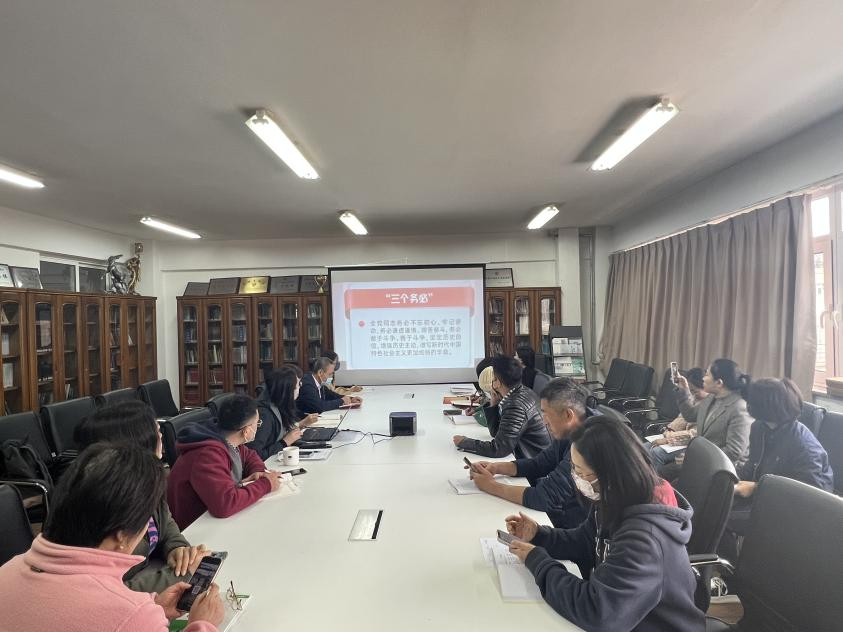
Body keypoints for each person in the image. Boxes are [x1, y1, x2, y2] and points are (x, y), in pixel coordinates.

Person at [504, 416, 704, 632]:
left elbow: (598, 612)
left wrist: (538, 561)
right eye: (574, 470)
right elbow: (584, 541)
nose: (576, 478)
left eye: (581, 472)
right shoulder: (615, 497)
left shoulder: (645, 538)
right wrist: (538, 535)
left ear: (610, 473)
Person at [0, 443, 224, 631]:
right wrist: (202, 624)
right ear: (122, 536)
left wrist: (155, 605)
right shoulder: (131, 615)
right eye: (146, 520)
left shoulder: (7, 569)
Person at [73, 401, 208, 593]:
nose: (161, 435)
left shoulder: (145, 481)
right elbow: (106, 593)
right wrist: (183, 574)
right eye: (156, 431)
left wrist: (176, 548)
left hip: (150, 578)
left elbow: (165, 521)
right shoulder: (100, 511)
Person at [721, 378, 834, 560]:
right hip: (766, 493)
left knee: (721, 521)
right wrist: (729, 477)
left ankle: (733, 570)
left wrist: (756, 487)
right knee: (714, 502)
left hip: (794, 507)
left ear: (763, 406)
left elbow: (810, 493)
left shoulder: (804, 445)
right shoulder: (760, 427)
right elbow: (753, 464)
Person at [466, 378, 595, 528]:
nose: (544, 421)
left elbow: (544, 498)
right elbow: (540, 464)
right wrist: (496, 467)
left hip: (578, 526)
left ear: (568, 415)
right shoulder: (574, 426)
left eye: (546, 414)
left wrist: (491, 486)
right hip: (567, 512)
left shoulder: (589, 444)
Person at [167, 394, 283, 529]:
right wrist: (266, 484)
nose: (258, 427)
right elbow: (225, 504)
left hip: (214, 518)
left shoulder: (226, 435)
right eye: (257, 423)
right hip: (195, 528)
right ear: (246, 431)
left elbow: (249, 455)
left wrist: (258, 471)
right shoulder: (207, 455)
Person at [650, 358, 753, 476]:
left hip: (723, 469)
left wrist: (696, 459)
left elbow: (734, 452)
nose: (703, 378)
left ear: (719, 383)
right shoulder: (712, 398)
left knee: (663, 474)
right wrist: (684, 390)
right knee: (662, 473)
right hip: (706, 460)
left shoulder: (739, 408)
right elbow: (690, 415)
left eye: (707, 375)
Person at [453, 356, 550, 459]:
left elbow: (499, 449)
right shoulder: (523, 391)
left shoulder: (515, 405)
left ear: (497, 382)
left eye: (493, 378)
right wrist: (493, 403)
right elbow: (495, 433)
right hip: (533, 456)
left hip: (533, 462)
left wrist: (465, 442)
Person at [250, 366, 319, 459]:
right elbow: (254, 455)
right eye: (298, 384)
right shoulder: (265, 415)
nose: (300, 386)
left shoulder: (280, 405)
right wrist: (285, 442)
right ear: (287, 390)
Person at [297, 357, 361, 414]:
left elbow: (332, 395)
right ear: (320, 373)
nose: (331, 377)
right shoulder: (307, 384)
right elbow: (319, 407)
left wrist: (350, 399)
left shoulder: (319, 383)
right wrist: (341, 401)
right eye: (330, 374)